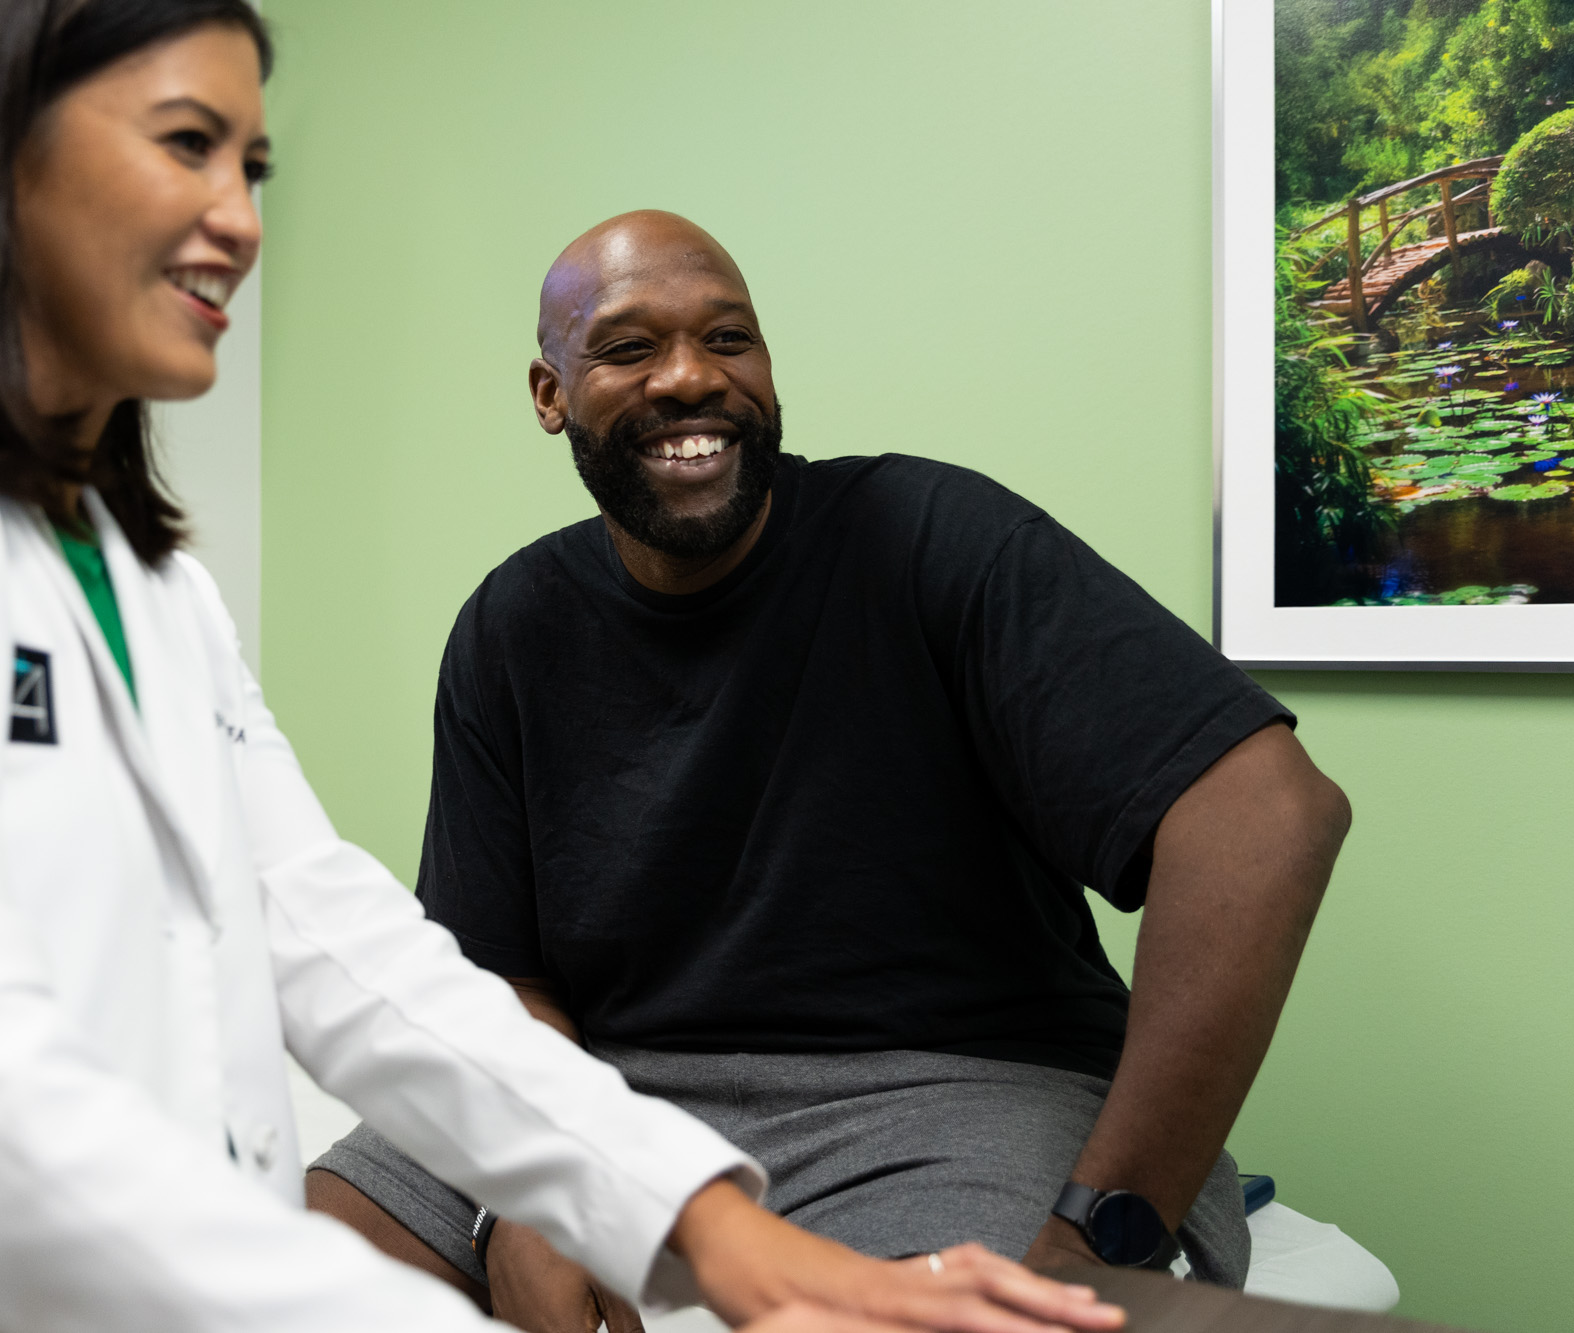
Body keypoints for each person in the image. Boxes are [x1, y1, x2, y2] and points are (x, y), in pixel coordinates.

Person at [0, 8, 1129, 1333]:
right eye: (188, 145)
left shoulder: (150, 585)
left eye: (253, 168)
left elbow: (346, 949)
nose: (239, 220)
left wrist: (724, 1237)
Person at [307, 210, 1355, 1332]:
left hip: (955, 1093)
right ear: (549, 391)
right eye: (625, 348)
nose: (688, 379)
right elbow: (501, 976)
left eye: (728, 339)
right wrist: (543, 1190)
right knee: (314, 1250)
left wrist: (1100, 1227)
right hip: (621, 1088)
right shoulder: (510, 624)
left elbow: (1267, 815)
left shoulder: (929, 536)